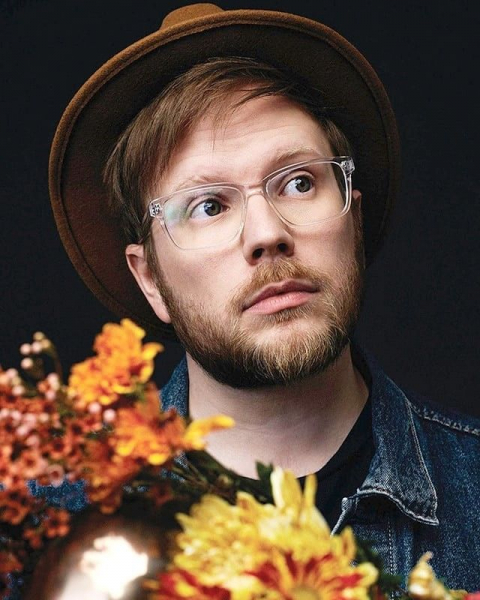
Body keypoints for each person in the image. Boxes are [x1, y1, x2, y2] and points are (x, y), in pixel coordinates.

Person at [47, 3, 480, 590]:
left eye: (299, 182)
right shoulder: (47, 528)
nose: (267, 233)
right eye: (208, 205)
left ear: (353, 220)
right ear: (150, 280)